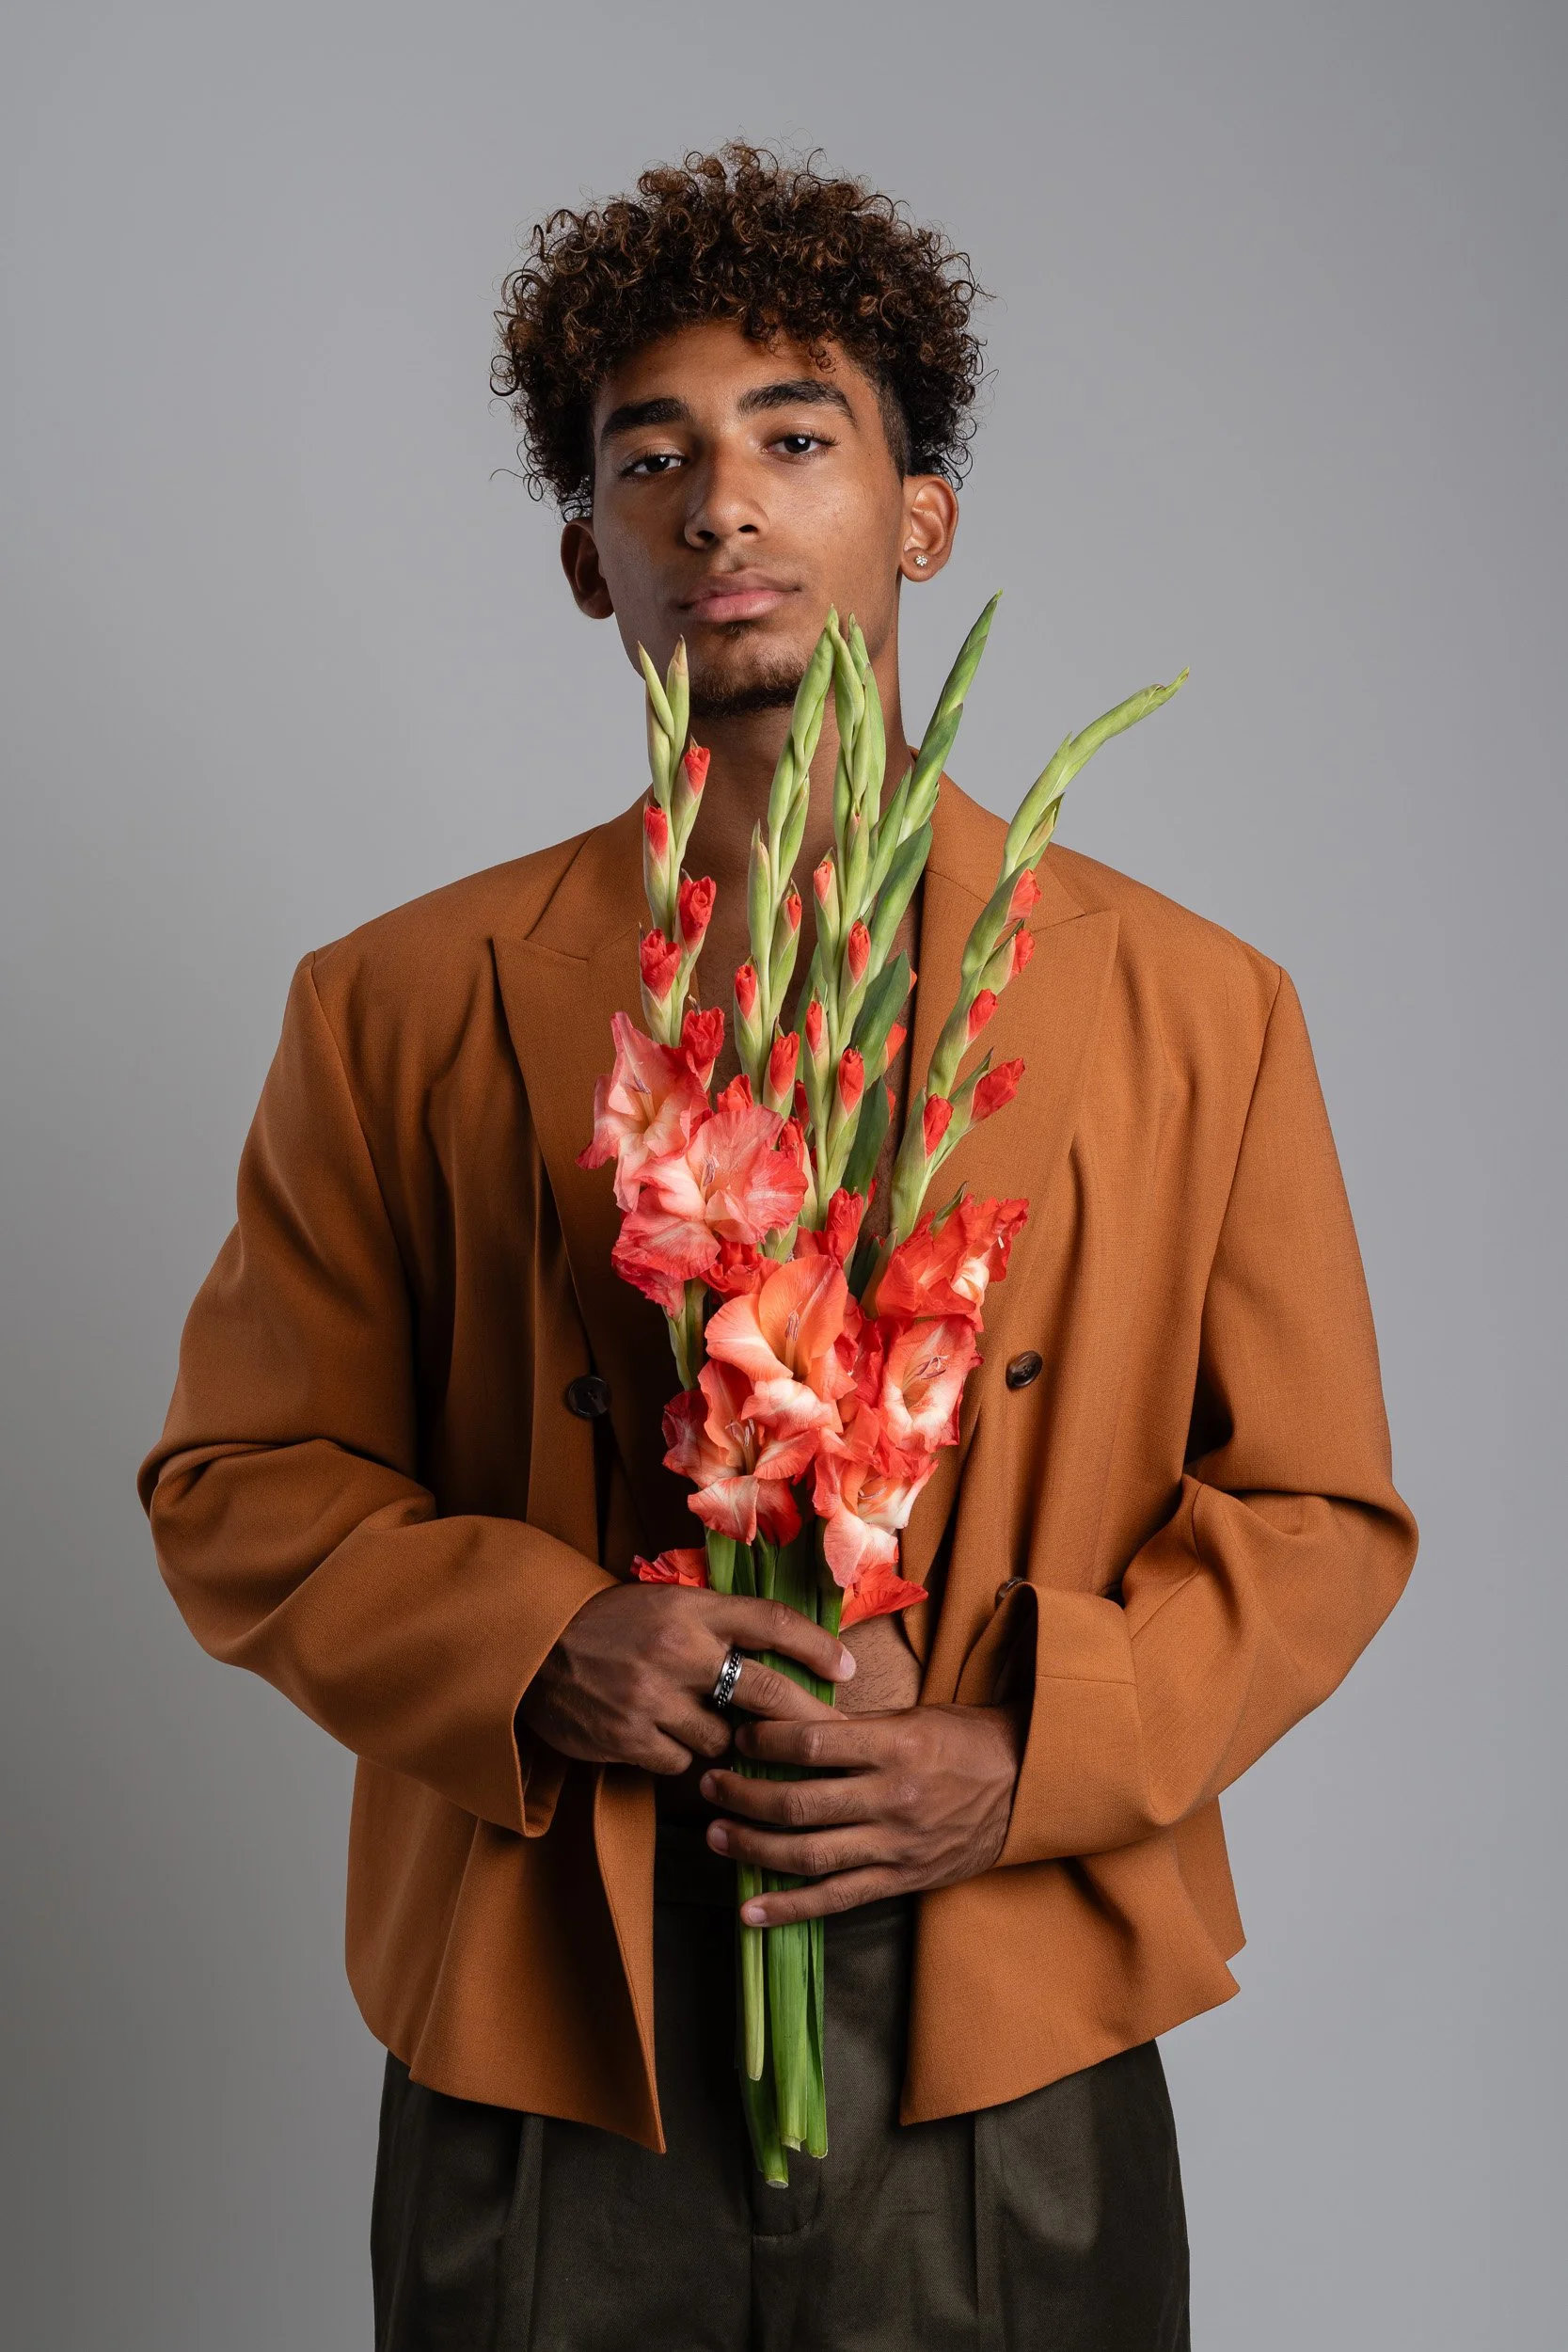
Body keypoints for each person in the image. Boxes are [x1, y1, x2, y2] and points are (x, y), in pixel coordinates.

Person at [138, 144, 1418, 2350]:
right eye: (650, 458)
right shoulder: (398, 1003)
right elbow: (233, 1482)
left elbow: (1314, 1513)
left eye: (794, 438)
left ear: (918, 517)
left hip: (1009, 2017)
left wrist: (1018, 1754)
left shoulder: (1197, 1008)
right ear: (588, 557)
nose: (720, 504)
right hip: (555, 2024)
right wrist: (540, 1637)